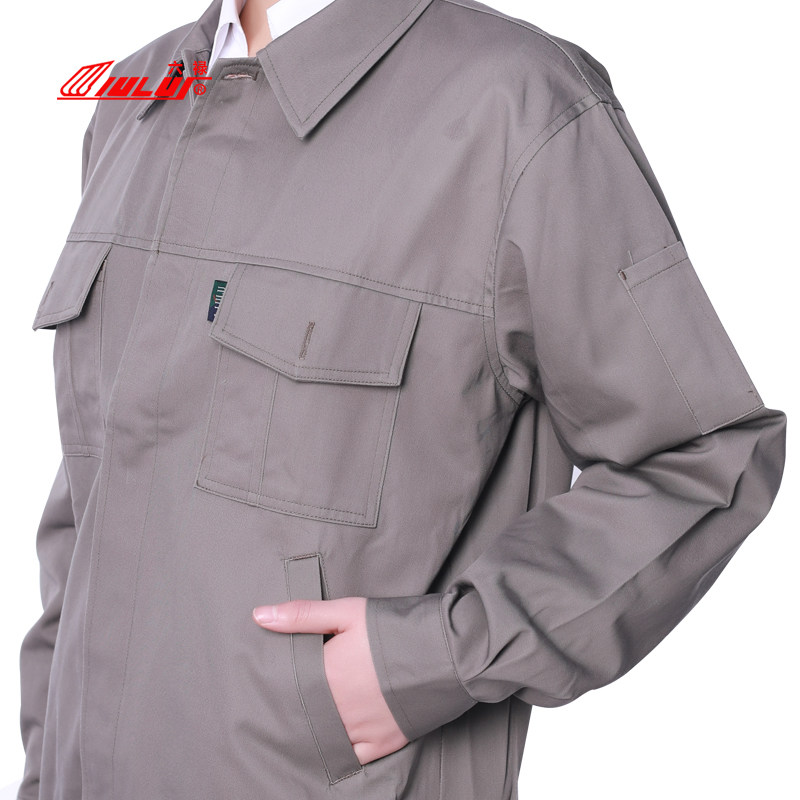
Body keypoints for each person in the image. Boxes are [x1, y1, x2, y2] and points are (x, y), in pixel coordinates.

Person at [17, 0, 787, 798]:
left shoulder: (514, 104)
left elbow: (704, 455)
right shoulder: (135, 98)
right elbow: (87, 511)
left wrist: (434, 658)